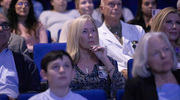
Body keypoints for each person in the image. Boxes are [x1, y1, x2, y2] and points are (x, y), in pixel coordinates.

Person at [67, 15, 126, 99]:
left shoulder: (107, 61)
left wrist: (105, 60)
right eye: (84, 31)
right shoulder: (66, 64)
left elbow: (122, 89)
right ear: (75, 36)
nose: (90, 35)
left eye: (93, 30)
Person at [122, 32, 180, 100]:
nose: (163, 55)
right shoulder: (136, 86)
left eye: (166, 49)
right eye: (155, 53)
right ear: (145, 61)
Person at [98, 0, 145, 78]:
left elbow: (147, 56)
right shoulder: (97, 35)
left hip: (140, 76)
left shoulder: (138, 30)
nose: (116, 7)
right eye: (111, 4)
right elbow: (99, 66)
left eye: (119, 4)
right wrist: (118, 72)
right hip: (114, 81)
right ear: (101, 9)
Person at [0, 13, 40, 99]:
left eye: (5, 25)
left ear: (10, 32)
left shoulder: (25, 62)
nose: (1, 29)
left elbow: (33, 93)